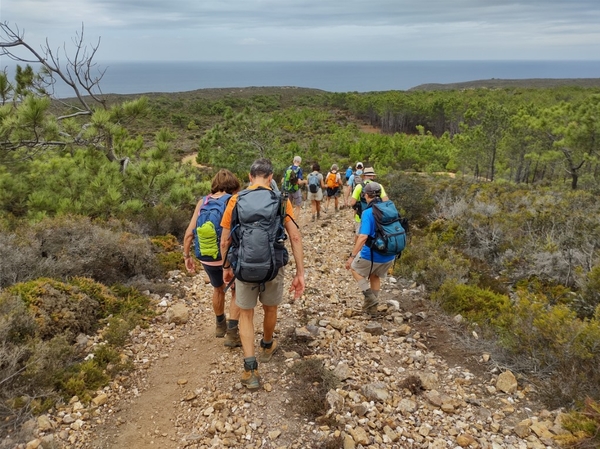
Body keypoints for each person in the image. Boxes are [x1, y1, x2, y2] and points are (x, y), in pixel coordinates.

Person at [220, 158, 305, 390]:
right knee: (270, 308)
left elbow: (226, 238)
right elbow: (295, 237)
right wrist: (300, 272)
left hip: (244, 266)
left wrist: (227, 267)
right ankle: (267, 346)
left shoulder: (236, 200)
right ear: (271, 177)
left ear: (250, 177)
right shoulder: (280, 200)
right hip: (272, 265)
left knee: (246, 314)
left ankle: (251, 370)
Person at [183, 169, 242, 347]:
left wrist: (186, 256)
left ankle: (219, 325)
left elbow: (189, 233)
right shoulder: (234, 200)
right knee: (235, 291)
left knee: (217, 289)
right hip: (227, 256)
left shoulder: (203, 201)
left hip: (207, 257)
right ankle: (232, 334)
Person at [344, 182, 395, 316]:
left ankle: (370, 298)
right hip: (390, 254)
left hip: (373, 254)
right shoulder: (390, 207)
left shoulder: (367, 212)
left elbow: (362, 238)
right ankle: (372, 310)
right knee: (375, 275)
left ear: (366, 195)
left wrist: (352, 257)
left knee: (354, 268)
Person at [348, 166, 389, 242]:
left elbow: (352, 202)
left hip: (360, 216)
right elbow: (386, 201)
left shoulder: (359, 186)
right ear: (373, 176)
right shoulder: (379, 186)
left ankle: (356, 251)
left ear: (363, 176)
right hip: (376, 215)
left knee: (359, 234)